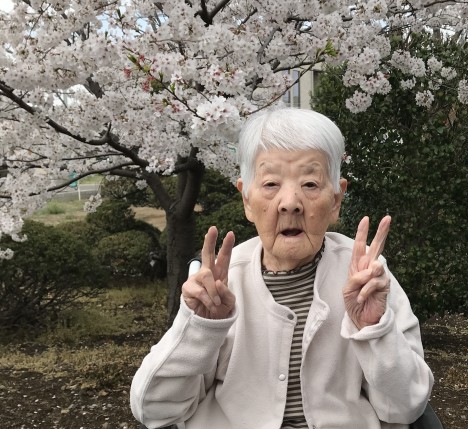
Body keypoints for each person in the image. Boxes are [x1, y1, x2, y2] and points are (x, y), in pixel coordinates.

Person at [130, 108, 434, 429]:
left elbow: (406, 407)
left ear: (336, 200)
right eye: (271, 183)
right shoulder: (218, 284)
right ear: (247, 200)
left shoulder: (367, 277)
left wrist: (374, 329)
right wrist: (199, 331)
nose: (290, 202)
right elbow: (154, 410)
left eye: (310, 184)